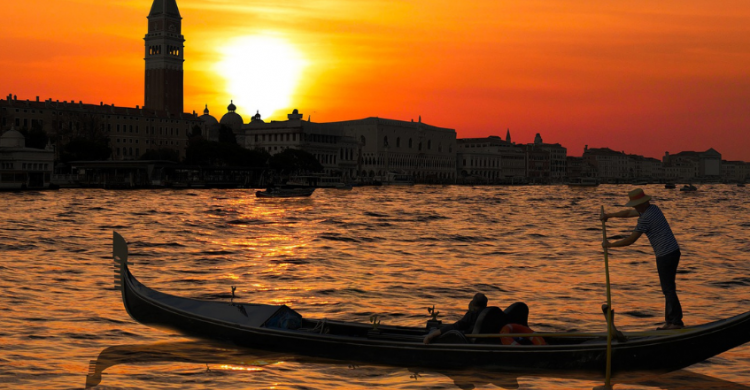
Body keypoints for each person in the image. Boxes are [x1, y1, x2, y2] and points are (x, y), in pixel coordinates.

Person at [601, 188, 684, 330]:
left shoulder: (646, 218)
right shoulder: (653, 209)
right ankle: (671, 321)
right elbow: (627, 213)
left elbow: (631, 240)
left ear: (641, 204)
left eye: (635, 205)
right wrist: (609, 215)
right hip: (672, 252)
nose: (634, 207)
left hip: (665, 254)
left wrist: (610, 245)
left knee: (668, 289)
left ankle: (675, 322)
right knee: (668, 289)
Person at [423, 293, 529, 344]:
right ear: (486, 303)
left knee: (432, 330)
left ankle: (431, 333)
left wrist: (433, 334)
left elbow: (457, 325)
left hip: (469, 339)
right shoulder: (494, 314)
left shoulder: (472, 314)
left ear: (473, 304)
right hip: (488, 340)